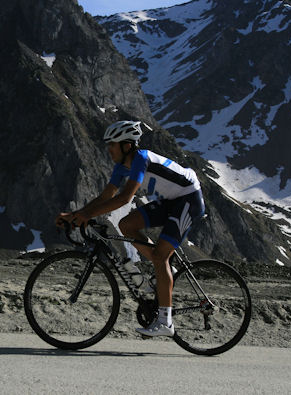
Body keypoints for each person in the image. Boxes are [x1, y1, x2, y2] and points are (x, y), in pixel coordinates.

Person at [56, 120, 205, 337]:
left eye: (112, 145)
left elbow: (125, 198)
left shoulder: (141, 160)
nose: (109, 149)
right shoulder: (121, 167)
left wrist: (87, 215)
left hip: (189, 198)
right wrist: (75, 215)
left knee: (160, 257)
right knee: (127, 225)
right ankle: (165, 271)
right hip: (172, 200)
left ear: (127, 146)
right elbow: (106, 196)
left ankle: (165, 322)